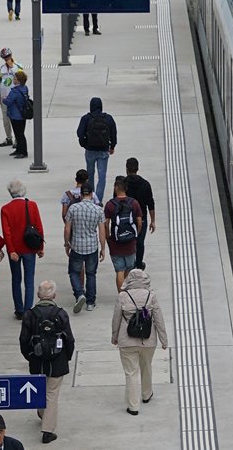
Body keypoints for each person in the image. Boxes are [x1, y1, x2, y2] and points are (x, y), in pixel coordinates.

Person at [18, 281, 74, 445]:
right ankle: (48, 431)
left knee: (40, 389)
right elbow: (69, 339)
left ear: (38, 295)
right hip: (57, 362)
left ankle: (43, 414)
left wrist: (29, 356)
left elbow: (23, 339)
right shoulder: (61, 313)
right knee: (52, 394)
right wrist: (67, 357)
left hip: (37, 361)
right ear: (54, 296)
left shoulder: (30, 314)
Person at [111, 268, 168, 416]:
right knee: (146, 365)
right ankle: (146, 394)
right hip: (148, 340)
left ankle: (133, 405)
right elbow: (159, 318)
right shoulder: (151, 296)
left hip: (127, 340)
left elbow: (116, 318)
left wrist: (115, 336)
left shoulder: (123, 296)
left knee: (131, 372)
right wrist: (163, 339)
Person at [0, 179, 45, 320]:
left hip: (15, 249)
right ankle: (28, 310)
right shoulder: (31, 205)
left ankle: (19, 309)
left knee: (16, 279)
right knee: (29, 280)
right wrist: (40, 247)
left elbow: (6, 232)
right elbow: (38, 227)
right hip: (29, 248)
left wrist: (11, 250)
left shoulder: (5, 209)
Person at [64, 181, 105, 313]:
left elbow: (67, 229)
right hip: (92, 246)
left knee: (74, 272)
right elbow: (102, 231)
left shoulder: (73, 209)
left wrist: (66, 243)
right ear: (92, 195)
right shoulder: (98, 210)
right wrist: (103, 247)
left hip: (76, 246)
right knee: (91, 274)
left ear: (81, 195)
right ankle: (90, 302)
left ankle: (79, 294)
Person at [104, 177, 143, 292]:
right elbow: (139, 222)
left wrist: (108, 238)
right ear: (126, 189)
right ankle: (128, 292)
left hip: (116, 243)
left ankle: (121, 295)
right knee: (129, 268)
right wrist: (135, 235)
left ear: (116, 188)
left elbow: (106, 224)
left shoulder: (110, 205)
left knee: (119, 270)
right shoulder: (134, 203)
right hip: (130, 242)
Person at [76, 97, 117, 203]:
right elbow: (113, 133)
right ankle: (98, 201)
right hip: (103, 151)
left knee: (90, 174)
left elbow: (79, 133)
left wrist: (84, 144)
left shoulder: (86, 118)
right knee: (102, 176)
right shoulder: (108, 118)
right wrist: (112, 146)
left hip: (90, 150)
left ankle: (90, 196)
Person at [124, 157, 157, 270]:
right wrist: (152, 221)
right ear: (138, 168)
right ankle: (138, 265)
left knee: (127, 242)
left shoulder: (122, 184)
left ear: (127, 169)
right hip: (141, 218)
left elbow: (116, 201)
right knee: (140, 242)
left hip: (126, 218)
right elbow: (150, 204)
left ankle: (128, 264)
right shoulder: (145, 184)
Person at [0, 47, 24, 148]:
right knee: (5, 120)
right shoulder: (2, 68)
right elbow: (0, 82)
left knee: (15, 119)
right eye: (4, 57)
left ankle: (17, 139)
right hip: (4, 97)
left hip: (14, 98)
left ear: (11, 56)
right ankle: (9, 138)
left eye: (7, 56)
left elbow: (21, 80)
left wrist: (11, 67)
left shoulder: (18, 66)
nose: (6, 59)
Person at [4, 70, 30, 159]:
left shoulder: (15, 91)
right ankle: (19, 150)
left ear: (18, 80)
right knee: (20, 133)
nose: (13, 80)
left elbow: (8, 102)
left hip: (15, 115)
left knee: (19, 134)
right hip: (22, 114)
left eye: (15, 78)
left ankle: (23, 151)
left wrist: (3, 99)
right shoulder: (25, 88)